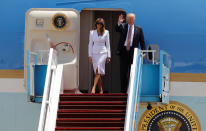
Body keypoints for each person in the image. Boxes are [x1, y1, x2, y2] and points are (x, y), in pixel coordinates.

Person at [115, 13, 146, 93]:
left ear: (134, 20)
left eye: (132, 19)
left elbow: (142, 42)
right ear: (127, 19)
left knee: (132, 72)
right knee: (123, 72)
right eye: (129, 19)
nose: (131, 20)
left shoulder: (139, 29)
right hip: (123, 52)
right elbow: (117, 29)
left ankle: (132, 90)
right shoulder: (123, 26)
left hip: (133, 52)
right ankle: (123, 91)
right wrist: (119, 23)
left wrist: (144, 52)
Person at [88, 18, 111, 94]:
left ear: (102, 25)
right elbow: (90, 44)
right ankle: (101, 89)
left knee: (98, 70)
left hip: (103, 53)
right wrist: (90, 55)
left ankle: (93, 88)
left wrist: (108, 56)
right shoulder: (92, 33)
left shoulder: (106, 32)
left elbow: (108, 45)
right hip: (94, 53)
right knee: (98, 72)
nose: (99, 25)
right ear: (96, 24)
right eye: (98, 23)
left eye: (100, 24)